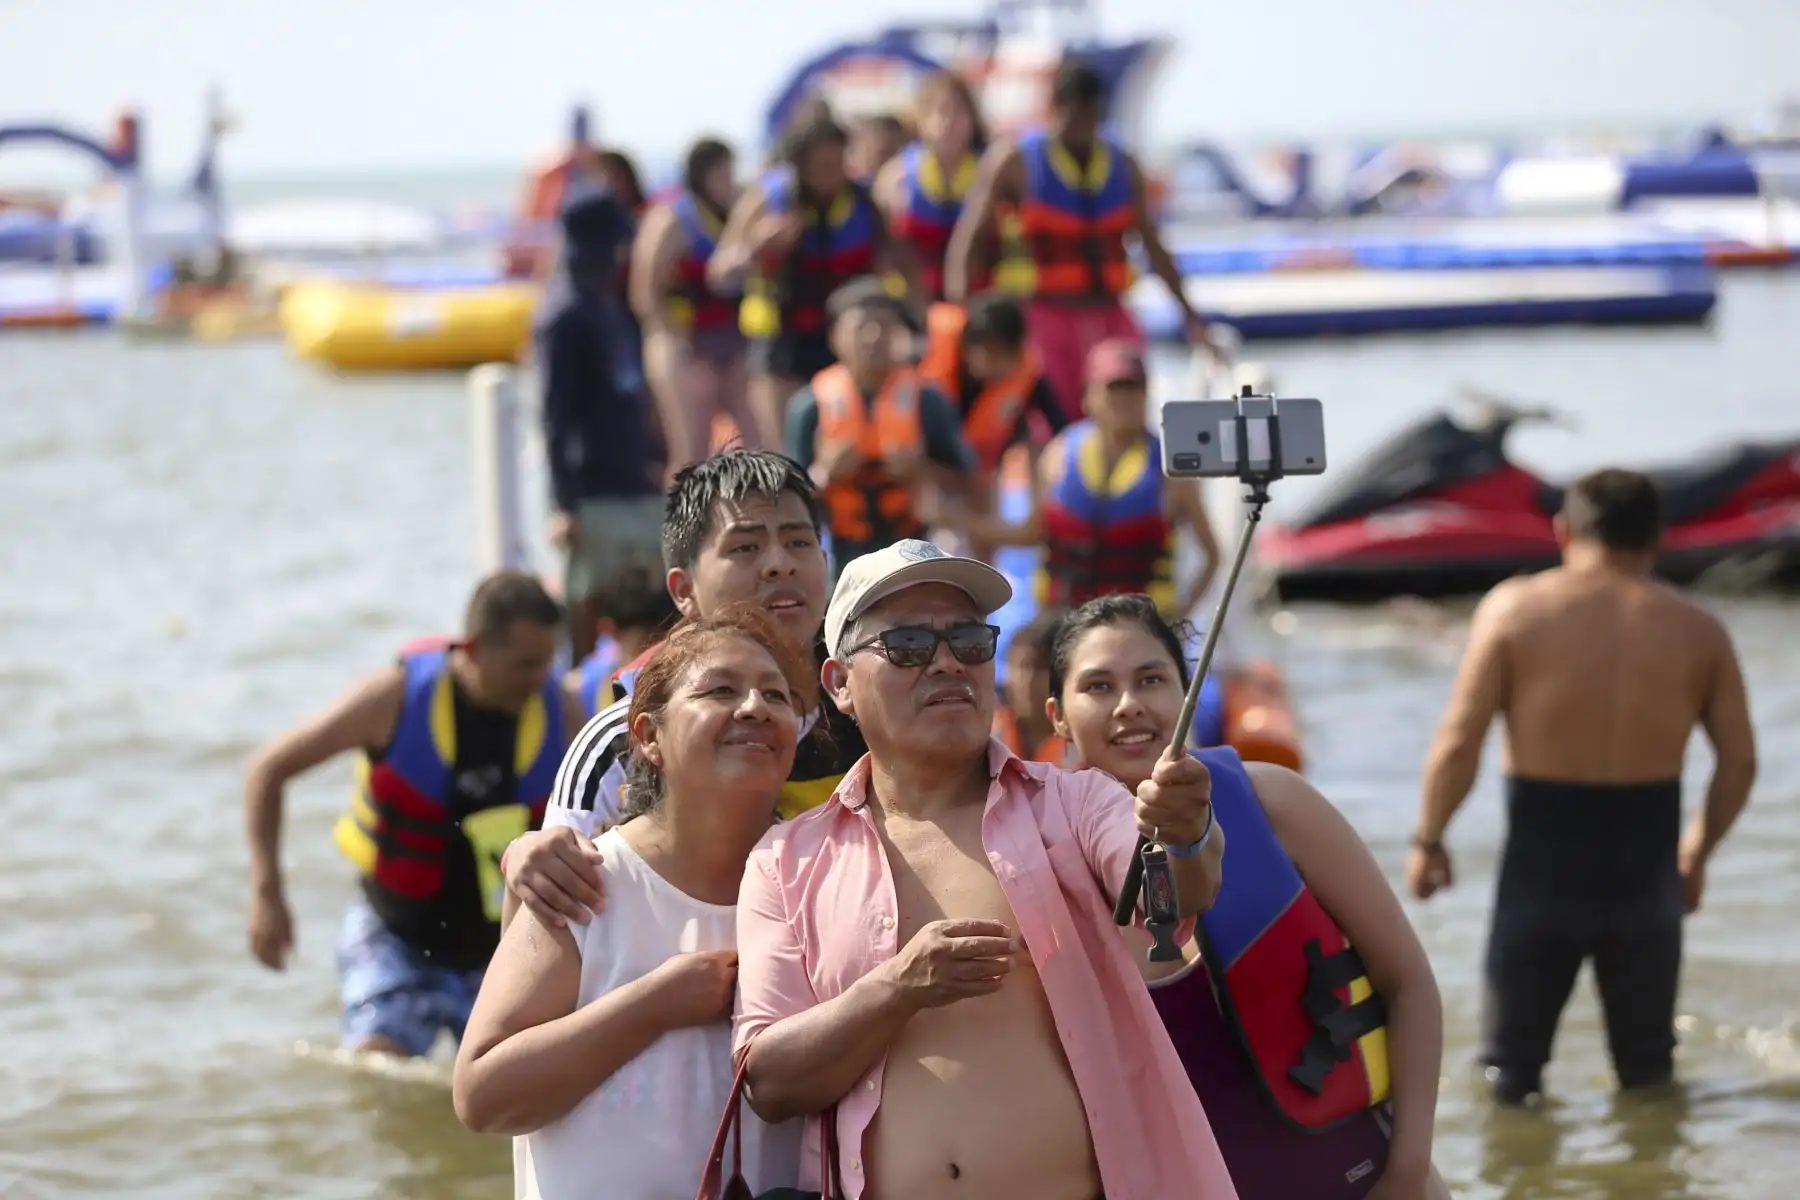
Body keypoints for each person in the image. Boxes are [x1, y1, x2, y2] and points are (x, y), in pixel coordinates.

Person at [733, 539, 1236, 1198]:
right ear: (840, 684)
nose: (946, 662)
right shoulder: (786, 860)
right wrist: (899, 989)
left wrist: (1187, 832)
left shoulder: (1077, 803)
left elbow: (1173, 901)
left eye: (969, 640)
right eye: (909, 644)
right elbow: (769, 1083)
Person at [1047, 594, 1449, 1200]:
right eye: (1098, 686)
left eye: (1151, 679)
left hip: (1368, 1179)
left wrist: (1410, 1171)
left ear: (1186, 695)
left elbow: (1409, 982)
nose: (1128, 704)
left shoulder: (1274, 804)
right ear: (1057, 716)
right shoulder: (1041, 862)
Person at [1410, 468, 1757, 1107]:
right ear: (1657, 537)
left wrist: (1429, 839)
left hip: (1540, 882)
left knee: (1508, 1079)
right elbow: (1738, 762)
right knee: (1649, 1076)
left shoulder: (1516, 610)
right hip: (1647, 883)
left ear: (1563, 530)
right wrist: (1697, 853)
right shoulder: (1697, 629)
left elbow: (1461, 739)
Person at [454, 608, 808, 1198]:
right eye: (721, 689)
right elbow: (482, 1095)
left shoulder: (819, 882)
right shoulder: (583, 880)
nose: (755, 706)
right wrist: (657, 1002)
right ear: (648, 738)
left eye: (776, 694)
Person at [498, 449, 870, 930]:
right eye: (744, 548)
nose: (780, 565)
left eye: (799, 542)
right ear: (683, 590)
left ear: (825, 561)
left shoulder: (869, 706)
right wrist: (525, 859)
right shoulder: (621, 740)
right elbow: (537, 938)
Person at [243, 571, 584, 1058]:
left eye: (548, 663)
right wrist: (267, 893)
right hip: (395, 935)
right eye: (525, 664)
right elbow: (267, 770)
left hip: (494, 949)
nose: (539, 679)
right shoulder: (395, 699)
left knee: (524, 1084)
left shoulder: (561, 712)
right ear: (473, 647)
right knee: (379, 1065)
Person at [944, 57, 1220, 419]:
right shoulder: (1013, 161)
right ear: (1054, 109)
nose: (1082, 129)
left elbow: (1153, 247)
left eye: (1091, 118)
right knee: (1050, 421)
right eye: (1073, 117)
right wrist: (965, 321)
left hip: (1111, 314)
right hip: (1041, 316)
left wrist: (1191, 317)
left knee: (1124, 414)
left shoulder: (1123, 166)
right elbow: (969, 242)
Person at [937, 338, 1221, 618]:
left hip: (1139, 624)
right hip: (1064, 619)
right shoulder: (1059, 454)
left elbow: (1212, 555)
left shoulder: (1170, 468)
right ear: (1089, 397)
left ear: (1147, 394)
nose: (1123, 399)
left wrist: (1182, 614)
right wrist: (955, 519)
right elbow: (1031, 533)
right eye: (1113, 389)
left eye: (1133, 388)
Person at [709, 109, 923, 452]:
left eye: (838, 162)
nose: (831, 174)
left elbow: (903, 271)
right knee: (782, 450)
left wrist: (913, 328)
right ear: (800, 165)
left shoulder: (866, 205)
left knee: (843, 442)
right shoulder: (768, 200)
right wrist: (756, 248)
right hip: (782, 339)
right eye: (821, 165)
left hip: (844, 342)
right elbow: (719, 272)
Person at [540, 188, 664, 662]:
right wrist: (563, 503)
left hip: (633, 479)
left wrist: (653, 457)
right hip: (591, 490)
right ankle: (581, 697)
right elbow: (555, 417)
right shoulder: (564, 317)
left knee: (652, 599)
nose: (621, 254)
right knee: (588, 602)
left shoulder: (610, 305)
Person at [784, 278, 979, 575]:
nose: (874, 337)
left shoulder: (928, 401)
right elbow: (786, 501)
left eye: (885, 327)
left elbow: (969, 482)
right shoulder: (809, 405)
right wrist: (824, 473)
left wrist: (922, 470)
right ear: (836, 338)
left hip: (914, 548)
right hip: (839, 554)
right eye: (862, 328)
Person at [630, 136, 757, 475]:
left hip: (730, 337)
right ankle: (680, 525)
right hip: (678, 339)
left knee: (755, 441)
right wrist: (683, 343)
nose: (730, 180)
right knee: (691, 449)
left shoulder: (737, 215)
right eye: (722, 172)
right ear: (701, 174)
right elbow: (644, 294)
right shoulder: (671, 220)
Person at [915, 291, 1068, 479]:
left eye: (1008, 354)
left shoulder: (1029, 377)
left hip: (985, 480)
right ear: (969, 345)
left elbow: (1063, 432)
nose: (1000, 364)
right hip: (928, 473)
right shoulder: (924, 354)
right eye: (992, 352)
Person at [874, 72, 991, 301]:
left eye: (958, 112)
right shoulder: (895, 177)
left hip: (977, 301)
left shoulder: (990, 173)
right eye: (938, 111)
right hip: (913, 302)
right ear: (921, 120)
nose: (947, 122)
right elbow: (884, 254)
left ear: (973, 119)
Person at [565, 563, 680, 719]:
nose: (660, 656)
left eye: (671, 641)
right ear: (609, 630)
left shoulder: (695, 688)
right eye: (648, 643)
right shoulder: (577, 692)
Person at [993, 606, 1071, 764]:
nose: (1027, 680)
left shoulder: (1083, 741)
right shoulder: (986, 733)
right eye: (1019, 666)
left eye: (1039, 667)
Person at [850, 112, 913, 185]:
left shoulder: (912, 186)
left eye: (893, 152)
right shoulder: (854, 187)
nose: (889, 162)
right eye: (883, 152)